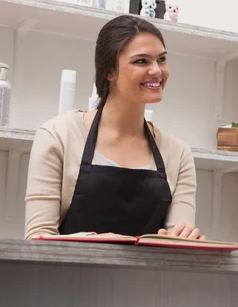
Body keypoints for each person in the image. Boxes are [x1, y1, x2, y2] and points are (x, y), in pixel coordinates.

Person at [25, 15, 204, 241]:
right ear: (109, 70)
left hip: (146, 277)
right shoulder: (58, 136)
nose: (157, 71)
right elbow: (37, 238)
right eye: (141, 61)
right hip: (66, 276)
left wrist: (186, 239)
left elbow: (176, 241)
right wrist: (102, 242)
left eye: (161, 59)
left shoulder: (178, 153)